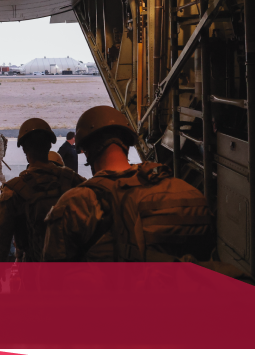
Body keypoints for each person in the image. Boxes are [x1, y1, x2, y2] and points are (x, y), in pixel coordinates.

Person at [43, 106, 213, 263]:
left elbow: (53, 282)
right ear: (127, 144)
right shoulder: (188, 193)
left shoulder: (75, 204)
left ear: (87, 151)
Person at [0, 118, 85, 290]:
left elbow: (2, 236)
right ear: (49, 147)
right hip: (72, 270)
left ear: (24, 149)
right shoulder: (73, 180)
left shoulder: (13, 190)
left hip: (33, 271)